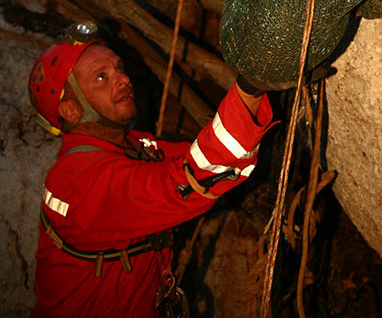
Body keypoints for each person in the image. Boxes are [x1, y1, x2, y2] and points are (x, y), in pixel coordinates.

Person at [28, 33, 273, 317]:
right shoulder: (80, 182)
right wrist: (251, 86)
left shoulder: (131, 146)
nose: (123, 79)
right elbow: (189, 180)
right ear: (70, 111)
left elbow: (199, 156)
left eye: (119, 68)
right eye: (101, 77)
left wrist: (262, 92)